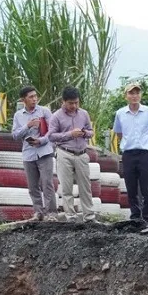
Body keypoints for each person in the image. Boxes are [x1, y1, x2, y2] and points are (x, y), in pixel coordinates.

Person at [114, 82, 148, 224]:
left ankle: (147, 217)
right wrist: (129, 144)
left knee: (147, 186)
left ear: (140, 95)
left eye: (137, 93)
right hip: (129, 153)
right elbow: (119, 133)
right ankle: (135, 215)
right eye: (131, 93)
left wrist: (146, 144)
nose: (134, 96)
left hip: (145, 153)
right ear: (126, 96)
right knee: (131, 185)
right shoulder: (120, 113)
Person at [49, 86, 96, 221]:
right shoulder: (56, 116)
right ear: (63, 101)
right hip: (65, 153)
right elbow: (51, 136)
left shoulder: (84, 114)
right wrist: (70, 134)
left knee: (85, 187)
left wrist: (85, 133)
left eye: (76, 102)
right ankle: (70, 217)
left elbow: (91, 131)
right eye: (70, 103)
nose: (74, 105)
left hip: (82, 153)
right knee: (66, 187)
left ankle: (89, 216)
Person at [11, 86, 55, 220]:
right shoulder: (18, 115)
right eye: (31, 97)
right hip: (28, 154)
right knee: (32, 186)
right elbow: (15, 135)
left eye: (35, 96)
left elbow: (52, 131)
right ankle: (38, 212)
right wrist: (28, 126)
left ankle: (51, 213)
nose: (34, 99)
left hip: (44, 152)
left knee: (47, 183)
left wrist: (40, 141)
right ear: (23, 99)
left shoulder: (44, 111)